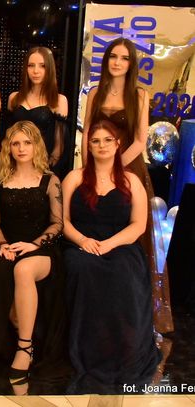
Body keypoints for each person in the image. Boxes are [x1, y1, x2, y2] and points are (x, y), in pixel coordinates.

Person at [81, 37, 173, 334]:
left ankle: (137, 313)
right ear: (106, 60)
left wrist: (114, 166)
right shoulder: (95, 92)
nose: (118, 62)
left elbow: (140, 140)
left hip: (128, 169)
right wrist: (89, 166)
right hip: (94, 167)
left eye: (124, 58)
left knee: (134, 239)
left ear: (131, 64)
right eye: (113, 57)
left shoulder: (140, 95)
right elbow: (86, 133)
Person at [62, 119, 161, 394]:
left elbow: (137, 226)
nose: (102, 145)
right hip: (81, 243)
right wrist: (83, 240)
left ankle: (119, 348)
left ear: (118, 145)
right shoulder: (74, 178)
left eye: (108, 140)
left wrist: (108, 245)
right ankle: (86, 349)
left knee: (123, 273)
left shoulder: (131, 180)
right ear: (88, 146)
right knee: (81, 268)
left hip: (120, 245)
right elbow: (63, 221)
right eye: (95, 141)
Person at [0, 121, 65, 390]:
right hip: (9, 246)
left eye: (27, 142)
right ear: (8, 147)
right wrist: (3, 244)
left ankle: (25, 348)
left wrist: (34, 244)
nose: (21, 148)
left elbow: (57, 224)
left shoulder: (50, 180)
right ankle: (3, 343)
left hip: (42, 250)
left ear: (37, 145)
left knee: (23, 270)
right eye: (15, 143)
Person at [7, 47, 68, 175]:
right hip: (14, 165)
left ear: (50, 69)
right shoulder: (14, 98)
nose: (36, 71)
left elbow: (59, 147)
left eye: (42, 66)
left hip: (44, 167)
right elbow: (7, 136)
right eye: (31, 65)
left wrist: (46, 170)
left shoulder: (59, 100)